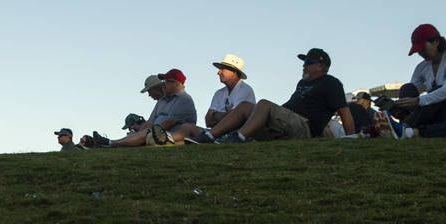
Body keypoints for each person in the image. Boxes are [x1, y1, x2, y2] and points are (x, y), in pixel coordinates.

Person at [207, 48, 353, 143]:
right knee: (246, 107)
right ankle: (210, 136)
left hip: (304, 127)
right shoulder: (302, 83)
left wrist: (350, 137)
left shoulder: (331, 83)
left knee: (263, 104)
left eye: (308, 62)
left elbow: (344, 112)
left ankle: (238, 137)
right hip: (287, 124)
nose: (304, 65)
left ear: (321, 66)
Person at [90, 69, 196, 147]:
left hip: (170, 136)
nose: (163, 84)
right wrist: (137, 134)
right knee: (147, 132)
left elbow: (167, 124)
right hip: (158, 133)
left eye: (167, 81)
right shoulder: (162, 101)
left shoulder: (184, 99)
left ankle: (110, 143)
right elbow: (150, 122)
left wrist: (148, 131)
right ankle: (112, 143)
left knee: (148, 133)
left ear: (177, 84)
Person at [394, 24, 446, 127]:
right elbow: (411, 90)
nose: (421, 53)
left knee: (438, 91)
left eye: (423, 48)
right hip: (431, 114)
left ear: (436, 42)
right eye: (418, 50)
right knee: (407, 88)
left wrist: (418, 101)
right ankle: (405, 120)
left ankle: (408, 125)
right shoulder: (422, 67)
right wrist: (399, 105)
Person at [173, 54, 257, 144]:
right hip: (217, 133)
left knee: (188, 134)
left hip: (234, 135)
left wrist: (215, 115)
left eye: (222, 69)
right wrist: (225, 115)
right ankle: (165, 140)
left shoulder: (245, 89)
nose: (218, 72)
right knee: (187, 127)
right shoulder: (219, 93)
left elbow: (235, 119)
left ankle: (165, 140)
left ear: (234, 73)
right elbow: (208, 121)